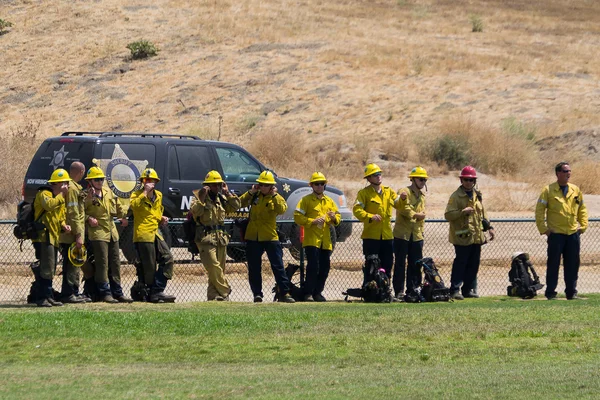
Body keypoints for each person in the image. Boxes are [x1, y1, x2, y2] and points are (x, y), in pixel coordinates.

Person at [239, 170, 295, 303]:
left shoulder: (276, 197)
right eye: (261, 184)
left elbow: (282, 209)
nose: (263, 187)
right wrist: (251, 192)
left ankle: (285, 293)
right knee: (254, 268)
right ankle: (257, 294)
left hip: (270, 236)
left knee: (277, 266)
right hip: (253, 236)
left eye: (266, 185)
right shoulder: (254, 196)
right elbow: (239, 203)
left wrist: (274, 195)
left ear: (271, 186)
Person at [535, 162, 588, 300]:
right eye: (565, 171)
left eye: (569, 171)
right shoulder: (548, 190)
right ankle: (551, 292)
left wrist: (582, 226)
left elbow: (582, 209)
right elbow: (539, 211)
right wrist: (544, 230)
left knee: (572, 265)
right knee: (553, 264)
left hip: (572, 234)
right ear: (558, 173)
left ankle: (571, 292)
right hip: (556, 234)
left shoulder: (575, 190)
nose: (568, 173)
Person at [82, 167, 132, 303]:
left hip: (111, 232)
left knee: (115, 263)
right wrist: (88, 219)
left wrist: (123, 215)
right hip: (98, 232)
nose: (99, 182)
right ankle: (104, 292)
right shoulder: (85, 195)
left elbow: (117, 209)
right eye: (97, 179)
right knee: (102, 263)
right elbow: (79, 212)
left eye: (101, 179)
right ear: (90, 181)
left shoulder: (108, 192)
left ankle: (117, 292)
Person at [444, 166, 495, 300]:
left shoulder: (477, 195)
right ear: (461, 180)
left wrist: (489, 227)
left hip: (476, 236)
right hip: (461, 237)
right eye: (466, 180)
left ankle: (468, 290)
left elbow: (483, 213)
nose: (469, 182)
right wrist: (462, 212)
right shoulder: (455, 197)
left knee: (474, 264)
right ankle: (455, 290)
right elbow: (448, 215)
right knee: (461, 263)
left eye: (471, 180)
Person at [190, 171, 241, 301]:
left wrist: (227, 192)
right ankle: (226, 290)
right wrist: (201, 198)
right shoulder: (197, 198)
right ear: (207, 186)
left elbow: (236, 206)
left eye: (219, 185)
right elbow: (196, 212)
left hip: (220, 239)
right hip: (205, 239)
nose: (217, 188)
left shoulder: (221, 199)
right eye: (213, 185)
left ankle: (214, 296)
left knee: (219, 270)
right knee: (213, 267)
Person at [130, 168, 176, 303]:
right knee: (148, 267)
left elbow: (154, 213)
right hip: (143, 234)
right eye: (146, 180)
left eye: (152, 180)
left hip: (156, 233)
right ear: (143, 182)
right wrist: (144, 192)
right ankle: (148, 293)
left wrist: (161, 217)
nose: (149, 183)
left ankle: (157, 290)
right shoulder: (137, 195)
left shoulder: (159, 196)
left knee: (168, 258)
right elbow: (134, 206)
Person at [293, 172, 341, 302]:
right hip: (312, 240)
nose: (319, 186)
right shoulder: (306, 200)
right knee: (313, 267)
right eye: (317, 184)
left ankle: (318, 293)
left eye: (322, 184)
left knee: (325, 267)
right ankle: (308, 293)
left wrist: (333, 218)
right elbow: (297, 216)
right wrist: (312, 221)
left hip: (325, 241)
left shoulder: (329, 201)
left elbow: (338, 217)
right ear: (312, 186)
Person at [352, 163, 398, 281]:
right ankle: (371, 291)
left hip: (387, 236)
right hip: (371, 236)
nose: (378, 176)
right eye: (375, 175)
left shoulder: (388, 192)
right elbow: (357, 210)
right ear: (369, 178)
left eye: (379, 174)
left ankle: (386, 291)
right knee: (371, 266)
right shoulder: (364, 193)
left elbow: (399, 204)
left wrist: (403, 198)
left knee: (387, 265)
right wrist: (370, 216)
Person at [32, 169, 71, 307]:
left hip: (53, 237)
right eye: (65, 183)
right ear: (57, 184)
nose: (67, 186)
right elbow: (49, 206)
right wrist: (61, 195)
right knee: (46, 268)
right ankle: (42, 297)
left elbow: (59, 217)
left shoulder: (59, 199)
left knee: (51, 268)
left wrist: (64, 225)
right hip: (43, 237)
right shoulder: (44, 194)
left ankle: (48, 296)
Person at [393, 166, 427, 300]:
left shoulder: (422, 196)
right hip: (403, 234)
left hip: (417, 235)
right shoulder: (404, 191)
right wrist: (416, 215)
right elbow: (402, 208)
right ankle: (399, 291)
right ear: (413, 179)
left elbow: (422, 214)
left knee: (416, 264)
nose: (423, 182)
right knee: (400, 263)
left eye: (425, 180)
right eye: (421, 179)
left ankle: (413, 290)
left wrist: (421, 229)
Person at [58, 161, 87, 304]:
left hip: (71, 233)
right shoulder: (73, 189)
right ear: (81, 172)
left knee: (75, 265)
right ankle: (68, 293)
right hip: (71, 235)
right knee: (71, 265)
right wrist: (78, 235)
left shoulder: (73, 187)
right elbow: (74, 213)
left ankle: (74, 291)